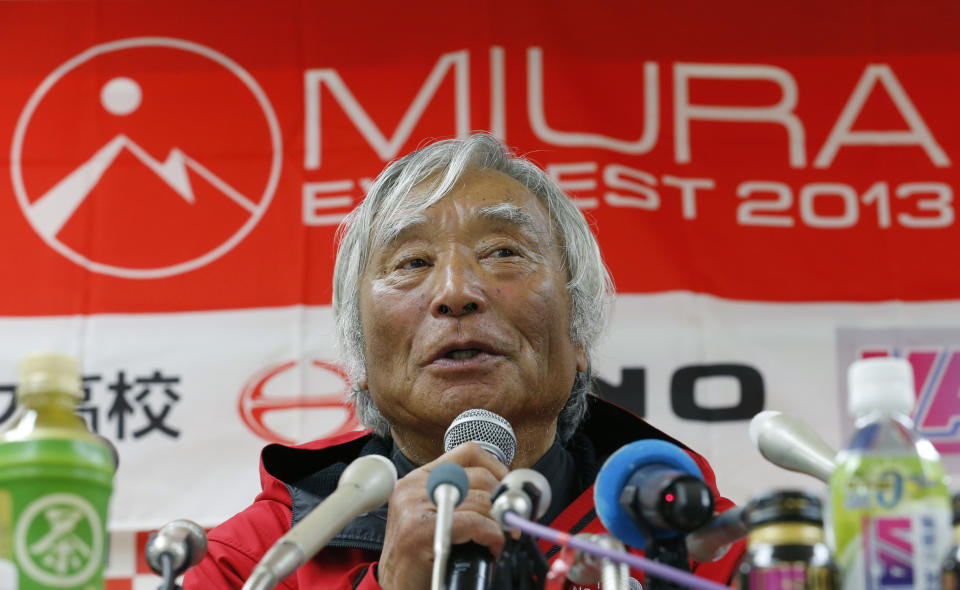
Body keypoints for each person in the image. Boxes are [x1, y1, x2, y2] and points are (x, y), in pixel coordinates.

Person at [184, 134, 744, 589]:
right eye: (413, 261)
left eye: (504, 252)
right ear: (359, 354)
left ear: (579, 333)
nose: (454, 291)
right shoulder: (252, 563)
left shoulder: (706, 546)